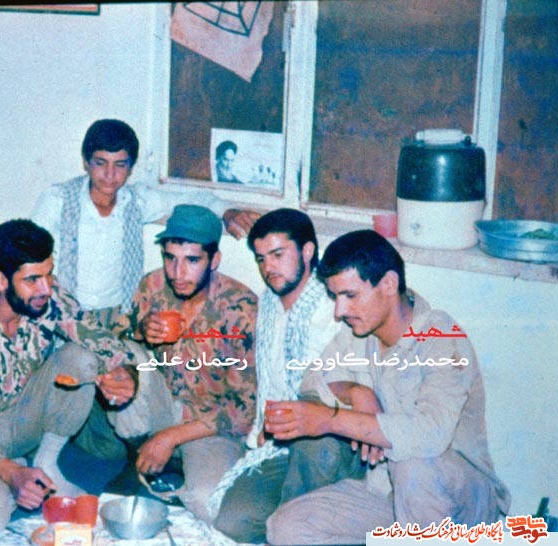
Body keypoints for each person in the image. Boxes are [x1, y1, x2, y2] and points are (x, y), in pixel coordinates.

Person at [264, 230, 511, 545]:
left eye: (350, 295)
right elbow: (314, 380)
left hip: (457, 497)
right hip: (388, 489)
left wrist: (331, 419)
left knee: (414, 467)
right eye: (335, 297)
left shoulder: (439, 336)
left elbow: (430, 435)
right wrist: (357, 392)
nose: (339, 311)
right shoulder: (358, 335)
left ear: (389, 284)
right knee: (286, 527)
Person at [0, 219, 138, 534]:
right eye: (32, 279)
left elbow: (100, 339)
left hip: (25, 413)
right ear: (0, 280)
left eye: (48, 274)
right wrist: (9, 472)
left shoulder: (47, 296)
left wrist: (126, 373)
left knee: (81, 358)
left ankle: (46, 462)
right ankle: (11, 472)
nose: (46, 288)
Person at [210, 209, 367, 543]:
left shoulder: (337, 306)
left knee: (293, 521)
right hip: (280, 444)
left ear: (307, 251)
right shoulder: (269, 303)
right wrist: (263, 428)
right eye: (262, 259)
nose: (269, 268)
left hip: (328, 442)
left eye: (278, 255)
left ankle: (308, 524)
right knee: (233, 521)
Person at [106, 204, 258, 522]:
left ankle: (169, 459)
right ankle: (145, 455)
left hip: (208, 426)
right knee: (124, 358)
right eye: (170, 258)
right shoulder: (154, 285)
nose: (177, 273)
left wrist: (170, 437)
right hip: (163, 403)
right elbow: (114, 336)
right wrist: (140, 330)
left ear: (214, 260)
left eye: (191, 260)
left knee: (206, 503)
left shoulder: (241, 308)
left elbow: (245, 408)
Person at [31, 119, 259, 321]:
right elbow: (27, 258)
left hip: (117, 317)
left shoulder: (138, 201)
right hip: (61, 315)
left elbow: (193, 197)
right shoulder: (58, 200)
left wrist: (228, 212)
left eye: (120, 164)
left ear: (130, 168)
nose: (110, 174)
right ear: (86, 162)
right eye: (101, 163)